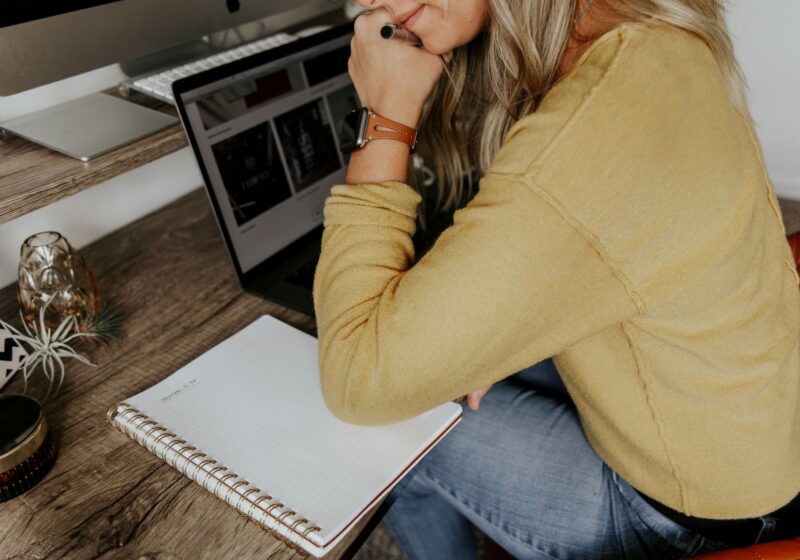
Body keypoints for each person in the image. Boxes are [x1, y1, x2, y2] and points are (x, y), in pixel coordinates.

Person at [312, 0, 800, 558]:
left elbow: (356, 378)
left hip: (688, 518)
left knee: (381, 428)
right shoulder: (650, 36)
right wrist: (481, 331)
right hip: (753, 442)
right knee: (421, 371)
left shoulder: (595, 125)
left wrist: (387, 113)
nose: (377, 6)